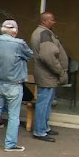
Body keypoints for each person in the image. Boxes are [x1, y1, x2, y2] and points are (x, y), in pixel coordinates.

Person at [0, 20, 33, 152]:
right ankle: (10, 144)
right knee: (14, 115)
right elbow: (30, 55)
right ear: (15, 31)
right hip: (14, 84)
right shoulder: (19, 43)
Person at [30, 12, 68, 142]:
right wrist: (60, 71)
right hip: (47, 74)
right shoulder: (44, 34)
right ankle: (40, 131)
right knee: (43, 103)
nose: (54, 22)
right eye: (52, 20)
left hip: (47, 74)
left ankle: (44, 127)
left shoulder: (43, 32)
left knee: (46, 103)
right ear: (44, 21)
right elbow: (48, 56)